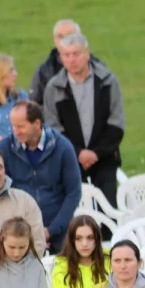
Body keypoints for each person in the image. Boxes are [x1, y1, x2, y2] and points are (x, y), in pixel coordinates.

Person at [41, 33, 124, 205]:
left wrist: (95, 153)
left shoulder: (108, 81)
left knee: (108, 215)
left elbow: (116, 123)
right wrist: (78, 153)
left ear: (87, 54)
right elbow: (53, 129)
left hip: (105, 162)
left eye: (76, 54)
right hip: (70, 163)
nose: (72, 59)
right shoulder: (54, 88)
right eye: (67, 55)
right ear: (61, 57)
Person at [0, 100, 81, 252]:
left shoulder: (62, 148)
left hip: (59, 232)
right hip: (19, 234)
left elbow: (73, 193)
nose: (15, 131)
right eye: (13, 126)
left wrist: (50, 231)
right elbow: (0, 191)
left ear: (37, 123)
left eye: (21, 126)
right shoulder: (4, 149)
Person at [0, 146, 45, 262]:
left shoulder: (24, 201)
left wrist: (13, 270)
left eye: (0, 167)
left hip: (14, 275)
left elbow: (38, 244)